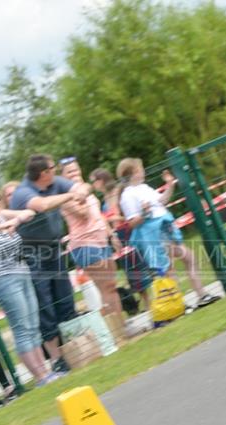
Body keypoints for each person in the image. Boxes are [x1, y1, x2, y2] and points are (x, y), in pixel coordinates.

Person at [10, 154, 92, 375]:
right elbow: (43, 205)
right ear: (43, 173)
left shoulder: (55, 183)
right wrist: (70, 196)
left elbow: (83, 186)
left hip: (54, 250)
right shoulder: (23, 191)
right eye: (52, 168)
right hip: (33, 256)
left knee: (65, 299)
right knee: (45, 306)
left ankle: (77, 348)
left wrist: (81, 192)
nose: (56, 171)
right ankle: (56, 359)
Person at [117, 158, 219, 308]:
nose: (143, 171)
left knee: (187, 258)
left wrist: (169, 184)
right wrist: (144, 213)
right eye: (141, 168)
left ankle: (201, 296)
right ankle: (181, 304)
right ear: (134, 173)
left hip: (166, 230)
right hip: (153, 235)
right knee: (169, 267)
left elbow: (162, 201)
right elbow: (131, 223)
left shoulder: (144, 187)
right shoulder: (127, 196)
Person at [0, 186, 60, 386]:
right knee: (21, 327)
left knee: (32, 324)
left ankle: (46, 372)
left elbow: (30, 213)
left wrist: (15, 220)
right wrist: (3, 227)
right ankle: (40, 377)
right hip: (3, 280)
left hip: (22, 273)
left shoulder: (2, 215)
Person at [59, 158, 123, 317]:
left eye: (76, 169)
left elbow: (98, 215)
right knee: (106, 287)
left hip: (101, 241)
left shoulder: (84, 191)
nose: (74, 173)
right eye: (69, 171)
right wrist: (81, 193)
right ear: (62, 176)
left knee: (112, 286)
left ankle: (120, 326)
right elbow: (83, 213)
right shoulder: (65, 196)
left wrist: (111, 235)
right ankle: (116, 330)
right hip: (84, 244)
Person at [90, 168, 152, 311]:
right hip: (118, 236)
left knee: (139, 268)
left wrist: (112, 218)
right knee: (130, 271)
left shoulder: (119, 192)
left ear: (101, 180)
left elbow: (129, 214)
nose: (93, 185)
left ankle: (150, 301)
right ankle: (145, 302)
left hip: (129, 232)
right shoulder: (103, 199)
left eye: (93, 181)